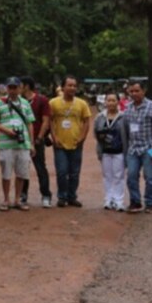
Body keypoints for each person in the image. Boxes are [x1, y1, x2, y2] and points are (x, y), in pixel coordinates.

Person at [122, 81, 152, 213]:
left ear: (143, 91)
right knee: (131, 175)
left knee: (150, 176)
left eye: (137, 91)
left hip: (150, 148)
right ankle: (135, 202)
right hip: (133, 148)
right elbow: (126, 127)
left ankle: (150, 203)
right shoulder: (128, 108)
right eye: (131, 91)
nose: (134, 94)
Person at [49, 75, 92, 208]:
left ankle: (72, 196)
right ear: (63, 87)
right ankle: (62, 197)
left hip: (76, 143)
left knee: (74, 172)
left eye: (74, 86)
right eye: (69, 85)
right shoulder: (53, 103)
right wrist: (54, 137)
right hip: (60, 143)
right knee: (62, 171)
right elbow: (50, 120)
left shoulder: (82, 104)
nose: (72, 88)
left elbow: (86, 121)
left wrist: (82, 137)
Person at [0, 77, 35, 212]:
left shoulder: (25, 103)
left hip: (22, 144)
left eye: (15, 87)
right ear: (6, 88)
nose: (12, 90)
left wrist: (31, 143)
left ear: (20, 88)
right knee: (6, 173)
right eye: (10, 87)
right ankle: (6, 199)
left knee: (22, 173)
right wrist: (8, 131)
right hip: (6, 143)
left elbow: (29, 123)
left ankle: (17, 199)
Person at [20, 76, 52, 208]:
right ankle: (23, 194)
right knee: (22, 168)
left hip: (37, 139)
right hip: (22, 140)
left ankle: (46, 195)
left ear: (26, 86)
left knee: (40, 168)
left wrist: (39, 137)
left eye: (20, 85)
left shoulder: (41, 100)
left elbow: (45, 120)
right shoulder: (19, 101)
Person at [94, 93, 128, 212]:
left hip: (119, 151)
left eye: (114, 100)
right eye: (109, 100)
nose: (111, 103)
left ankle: (119, 201)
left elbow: (127, 134)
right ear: (105, 102)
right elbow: (96, 133)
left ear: (118, 102)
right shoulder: (100, 117)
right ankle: (108, 199)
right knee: (107, 176)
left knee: (119, 176)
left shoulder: (123, 117)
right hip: (105, 151)